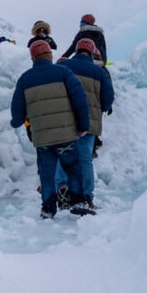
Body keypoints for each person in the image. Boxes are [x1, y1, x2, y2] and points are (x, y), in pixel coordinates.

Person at [10, 39, 91, 219]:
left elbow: (17, 114)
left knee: (47, 174)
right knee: (73, 168)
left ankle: (48, 208)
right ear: (49, 55)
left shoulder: (25, 79)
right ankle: (78, 202)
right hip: (66, 135)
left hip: (43, 139)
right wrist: (84, 125)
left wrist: (16, 122)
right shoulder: (64, 72)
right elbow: (80, 100)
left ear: (33, 58)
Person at [57, 38, 114, 215]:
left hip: (64, 120)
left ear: (76, 50)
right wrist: (99, 109)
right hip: (88, 123)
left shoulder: (63, 67)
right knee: (84, 160)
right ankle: (85, 196)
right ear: (92, 53)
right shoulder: (100, 72)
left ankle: (63, 188)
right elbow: (108, 99)